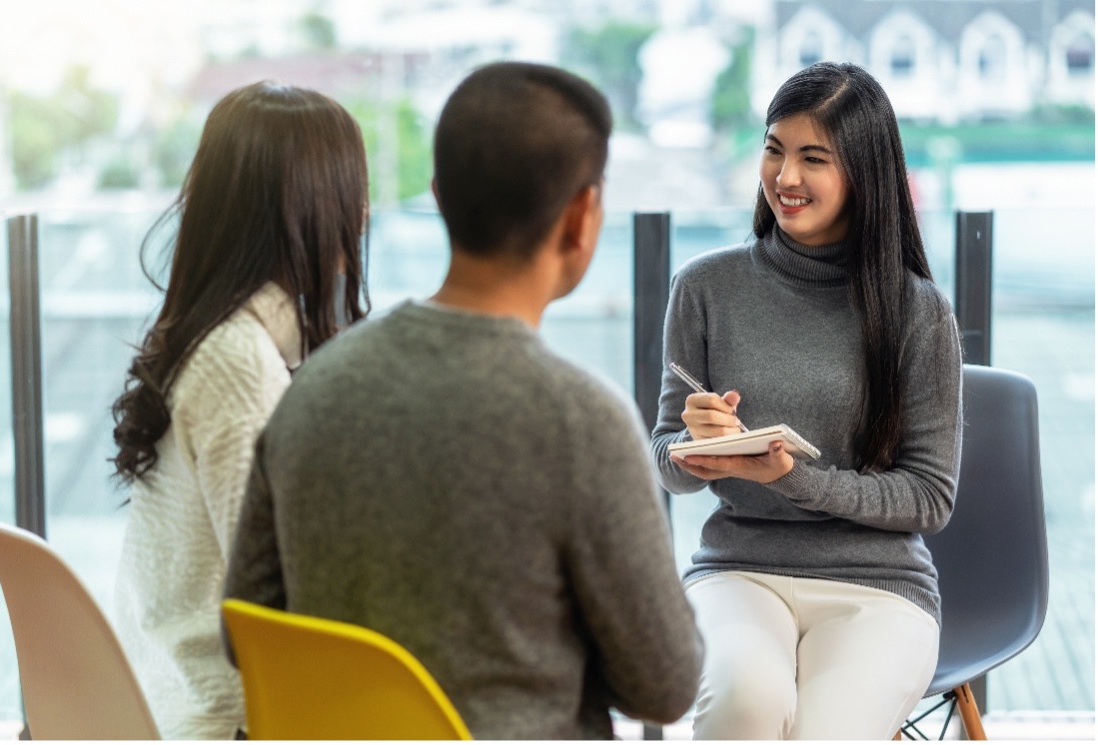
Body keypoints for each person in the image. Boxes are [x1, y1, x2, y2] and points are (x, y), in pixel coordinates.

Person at [222, 61, 703, 740]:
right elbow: (667, 684)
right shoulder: (578, 418)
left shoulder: (314, 388)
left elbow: (243, 630)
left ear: (441, 197)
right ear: (580, 217)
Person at [651, 61, 963, 740]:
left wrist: (796, 479)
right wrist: (693, 447)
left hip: (879, 586)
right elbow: (664, 465)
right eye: (774, 150)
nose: (785, 178)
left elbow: (929, 498)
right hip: (737, 570)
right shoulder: (705, 286)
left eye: (812, 158)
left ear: (864, 173)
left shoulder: (918, 312)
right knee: (743, 705)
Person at [110, 81, 371, 740]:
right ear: (308, 204)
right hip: (227, 719)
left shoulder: (213, 336)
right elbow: (276, 605)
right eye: (350, 187)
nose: (363, 210)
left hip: (174, 698)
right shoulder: (237, 362)